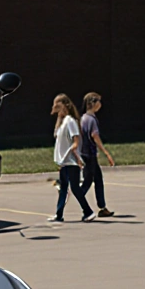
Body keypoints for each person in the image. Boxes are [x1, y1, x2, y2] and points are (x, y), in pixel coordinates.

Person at [49, 94, 93, 222]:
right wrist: (58, 116)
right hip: (64, 162)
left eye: (57, 104)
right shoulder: (63, 121)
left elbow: (76, 140)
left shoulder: (70, 121)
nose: (55, 106)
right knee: (63, 189)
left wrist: (75, 154)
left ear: (65, 104)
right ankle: (59, 215)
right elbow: (56, 135)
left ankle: (88, 211)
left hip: (71, 161)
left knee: (74, 188)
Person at [78, 92, 116, 218]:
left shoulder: (83, 118)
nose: (100, 104)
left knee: (98, 179)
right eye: (98, 101)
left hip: (85, 153)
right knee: (88, 181)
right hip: (90, 154)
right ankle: (82, 202)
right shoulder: (92, 119)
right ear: (92, 103)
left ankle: (102, 207)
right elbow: (95, 136)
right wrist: (106, 152)